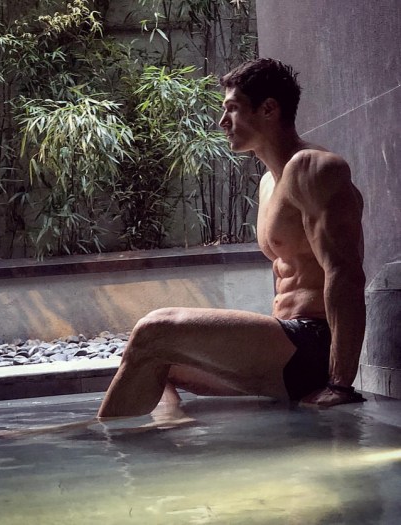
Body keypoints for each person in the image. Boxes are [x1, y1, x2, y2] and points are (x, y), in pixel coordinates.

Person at [98, 58, 366, 419]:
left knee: (154, 329)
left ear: (268, 109)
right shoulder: (268, 182)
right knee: (151, 357)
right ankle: (158, 434)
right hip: (286, 345)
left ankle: (101, 441)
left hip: (313, 345)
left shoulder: (313, 168)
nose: (222, 121)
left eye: (233, 108)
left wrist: (340, 384)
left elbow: (345, 274)